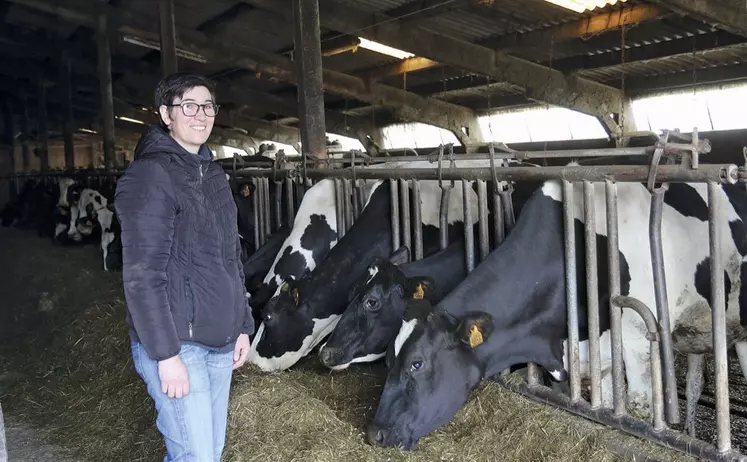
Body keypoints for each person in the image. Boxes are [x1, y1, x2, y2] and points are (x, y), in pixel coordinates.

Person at [114, 72, 254, 461]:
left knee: (207, 453)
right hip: (179, 346)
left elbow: (231, 258)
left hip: (221, 342)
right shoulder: (150, 176)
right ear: (166, 114)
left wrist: (243, 324)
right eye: (188, 106)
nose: (201, 115)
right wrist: (166, 356)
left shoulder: (214, 176)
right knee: (197, 457)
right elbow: (142, 276)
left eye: (207, 106)